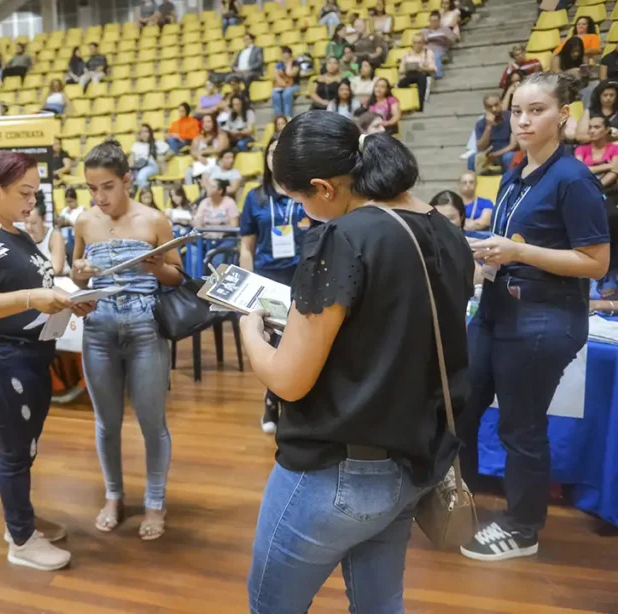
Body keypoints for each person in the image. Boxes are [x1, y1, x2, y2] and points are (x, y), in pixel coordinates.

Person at [244, 110, 472, 613]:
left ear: (324, 187)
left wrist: (249, 328)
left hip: (338, 470)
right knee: (380, 603)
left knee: (270, 606)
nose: (302, 214)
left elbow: (289, 380)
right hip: (415, 462)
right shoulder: (446, 231)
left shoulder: (344, 237)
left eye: (300, 200)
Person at [461, 72, 610, 562]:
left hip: (544, 321)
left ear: (564, 114)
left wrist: (515, 253)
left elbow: (596, 263)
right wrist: (489, 256)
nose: (523, 120)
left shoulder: (574, 179)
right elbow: (514, 247)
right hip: (498, 311)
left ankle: (523, 528)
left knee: (520, 427)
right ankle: (452, 500)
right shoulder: (513, 173)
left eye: (537, 110)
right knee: (462, 407)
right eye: (517, 111)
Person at [0, 151, 95, 571]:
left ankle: (21, 519)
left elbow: (32, 285)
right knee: (16, 452)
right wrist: (34, 298)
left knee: (25, 448)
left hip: (31, 356)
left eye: (35, 193)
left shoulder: (13, 231)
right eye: (24, 192)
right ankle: (20, 538)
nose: (32, 201)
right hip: (0, 359)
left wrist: (66, 303)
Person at [71, 140, 183, 541]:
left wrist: (157, 267)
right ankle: (114, 495)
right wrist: (80, 271)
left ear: (127, 181)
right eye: (92, 188)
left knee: (152, 422)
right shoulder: (84, 222)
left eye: (107, 187)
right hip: (98, 327)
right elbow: (77, 275)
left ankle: (156, 501)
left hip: (144, 326)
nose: (100, 197)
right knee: (107, 422)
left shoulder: (154, 220)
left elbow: (177, 276)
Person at [239, 136, 311, 434]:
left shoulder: (307, 193)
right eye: (270, 151)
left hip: (305, 276)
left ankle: (289, 400)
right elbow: (246, 248)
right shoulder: (255, 198)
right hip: (269, 277)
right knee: (276, 340)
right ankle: (272, 398)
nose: (274, 156)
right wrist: (248, 287)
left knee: (300, 342)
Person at [469, 93, 518, 172]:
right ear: (485, 108)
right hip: (490, 156)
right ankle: (472, 182)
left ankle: (509, 182)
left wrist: (496, 154)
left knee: (508, 157)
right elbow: (480, 148)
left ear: (501, 104)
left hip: (507, 153)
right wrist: (488, 126)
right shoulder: (481, 123)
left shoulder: (511, 118)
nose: (494, 109)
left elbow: (513, 146)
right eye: (489, 107)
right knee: (472, 158)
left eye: (496, 105)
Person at [25, 196, 68, 275]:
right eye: (26, 222)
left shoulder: (54, 236)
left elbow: (56, 269)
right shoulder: (23, 236)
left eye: (33, 223)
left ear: (43, 218)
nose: (29, 227)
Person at [574, 114, 618, 190]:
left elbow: (615, 170)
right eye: (590, 127)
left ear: (607, 129)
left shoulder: (615, 148)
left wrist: (596, 188)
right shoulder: (581, 149)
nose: (592, 131)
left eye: (597, 127)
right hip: (583, 187)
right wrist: (609, 166)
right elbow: (579, 171)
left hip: (606, 190)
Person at [397, 32, 437, 112]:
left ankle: (420, 106)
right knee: (401, 83)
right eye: (415, 42)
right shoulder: (407, 54)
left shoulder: (428, 53)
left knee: (421, 78)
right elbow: (400, 70)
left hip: (422, 74)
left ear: (423, 43)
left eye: (419, 43)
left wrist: (422, 68)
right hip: (409, 75)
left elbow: (433, 69)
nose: (417, 45)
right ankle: (408, 103)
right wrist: (407, 68)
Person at [130, 124, 166, 189]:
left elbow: (170, 153)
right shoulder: (136, 145)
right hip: (138, 165)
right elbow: (131, 160)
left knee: (141, 177)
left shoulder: (157, 143)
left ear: (150, 133)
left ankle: (146, 194)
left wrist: (161, 159)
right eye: (142, 132)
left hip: (151, 165)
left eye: (146, 131)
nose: (144, 134)